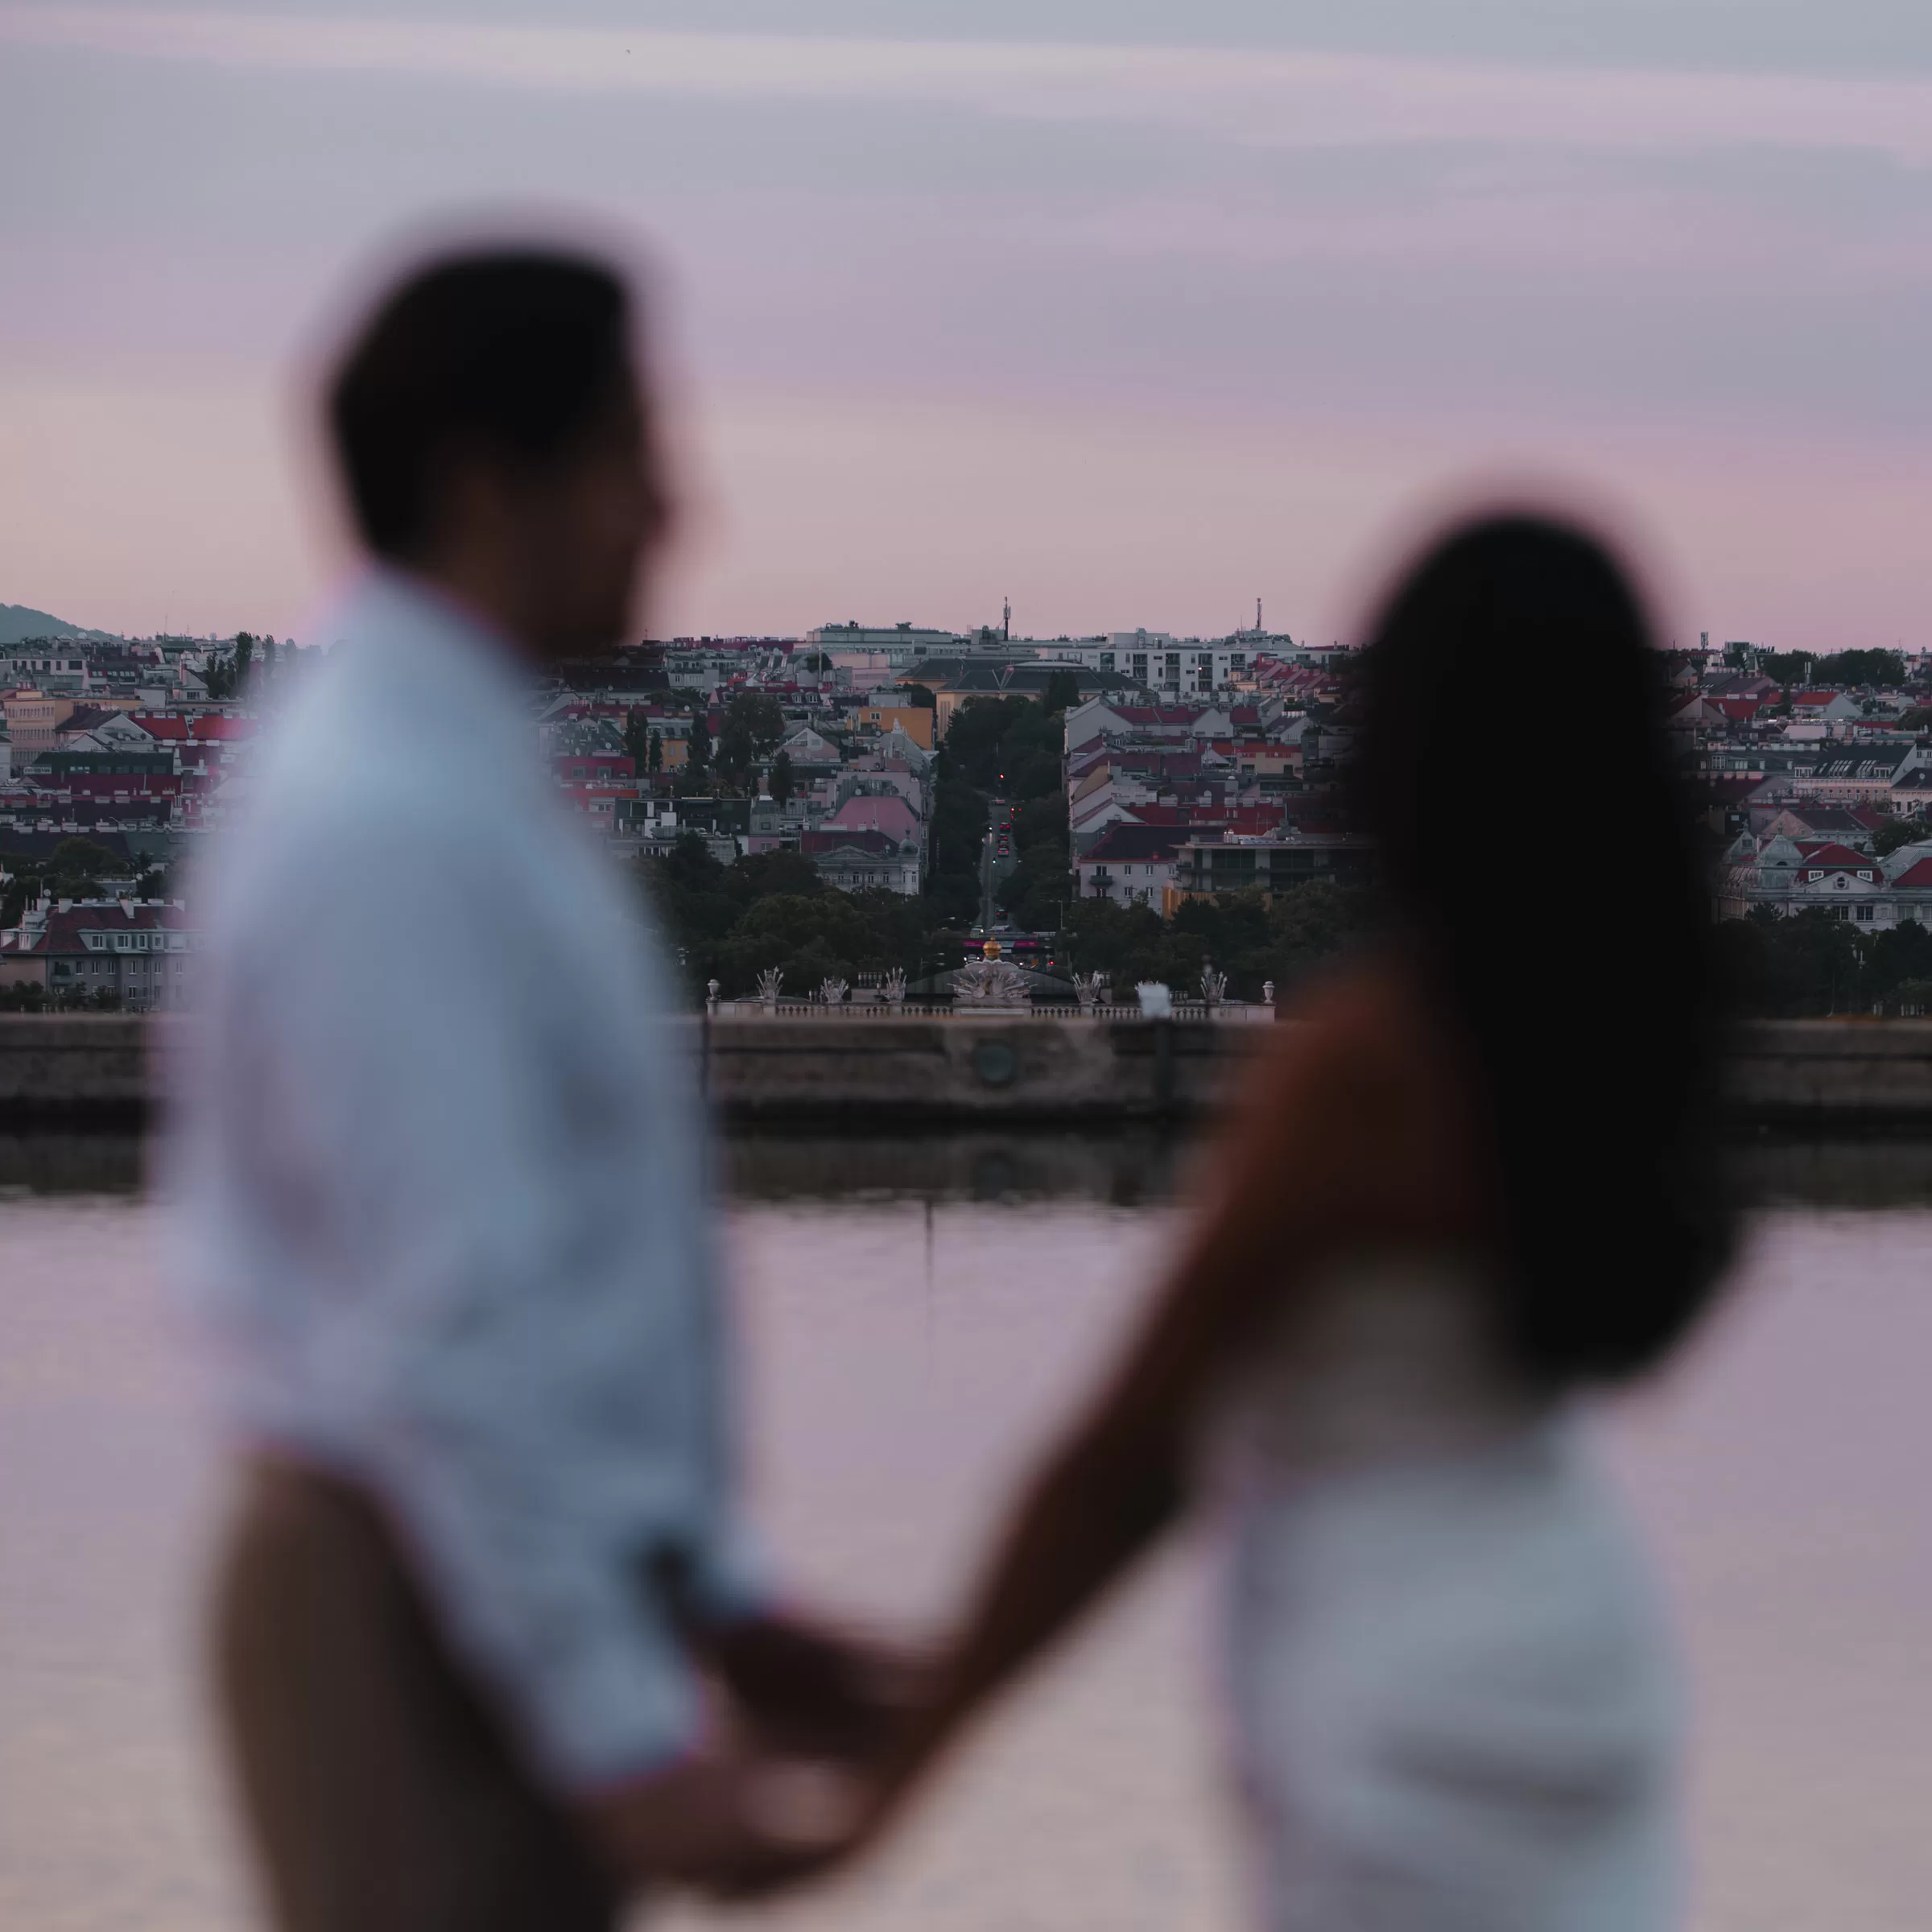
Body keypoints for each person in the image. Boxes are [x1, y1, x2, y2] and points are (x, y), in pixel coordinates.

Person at [824, 515, 1736, 1927]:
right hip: (1584, 1642)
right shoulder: (1642, 1045)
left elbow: (1131, 1456)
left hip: (1403, 1679)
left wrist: (905, 1764)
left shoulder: (1373, 1064)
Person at [171, 246, 902, 1932]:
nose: (676, 507)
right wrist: (620, 1729)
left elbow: (549, 1280)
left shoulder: (443, 763)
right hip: (418, 1596)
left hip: (482, 1564)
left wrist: (710, 1597)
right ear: (483, 485)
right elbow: (456, 1318)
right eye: (632, 452)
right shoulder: (390, 812)